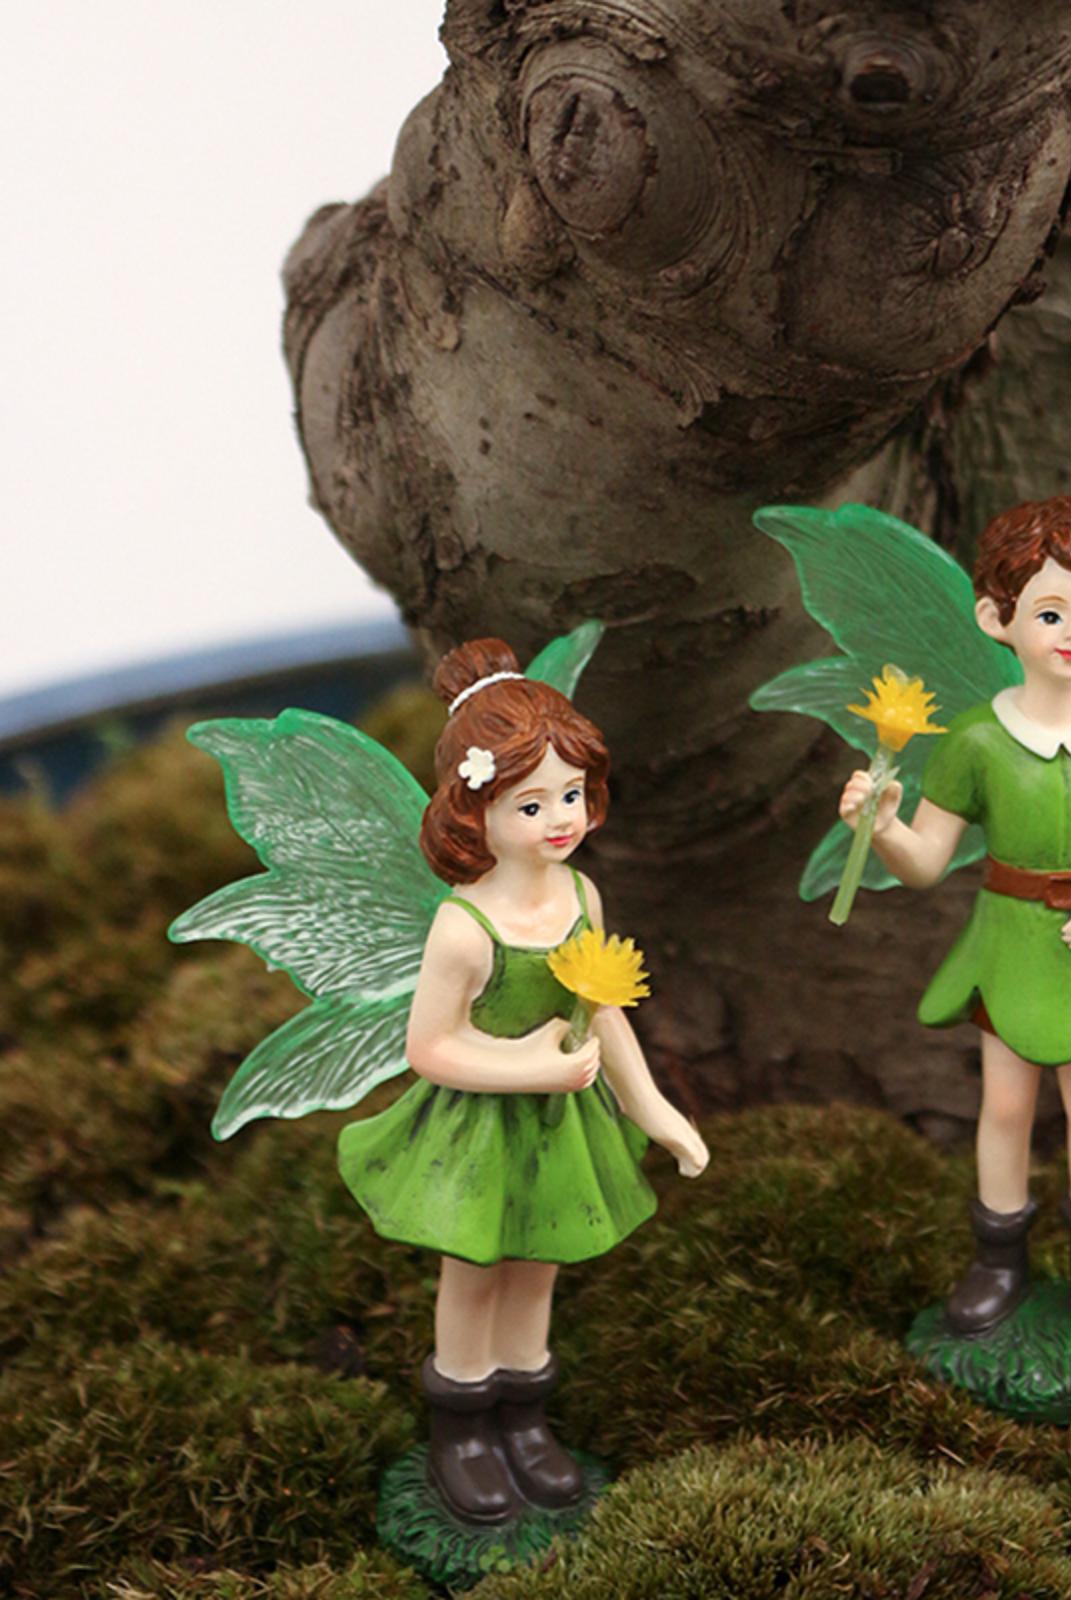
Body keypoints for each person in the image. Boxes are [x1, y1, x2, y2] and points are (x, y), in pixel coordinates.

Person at [337, 638, 709, 1524]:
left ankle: (524, 1416)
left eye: (571, 795)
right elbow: (430, 1048)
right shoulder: (465, 929)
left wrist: (654, 1108)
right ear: (476, 810)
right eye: (531, 804)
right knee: (474, 1270)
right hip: (476, 1128)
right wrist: (528, 1066)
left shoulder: (580, 898)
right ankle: (462, 1430)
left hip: (558, 1126)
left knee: (539, 1264)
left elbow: (603, 1008)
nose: (559, 819)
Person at [840, 497, 1071, 1339]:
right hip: (1009, 945)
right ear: (995, 618)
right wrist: (883, 828)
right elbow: (927, 862)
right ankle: (996, 1258)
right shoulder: (974, 741)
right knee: (1004, 1110)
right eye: (1049, 613)